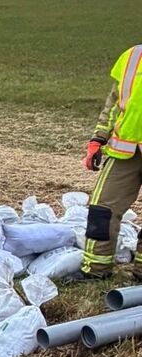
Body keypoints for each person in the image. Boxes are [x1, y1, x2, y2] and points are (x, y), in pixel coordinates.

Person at [81, 44, 142, 280]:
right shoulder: (132, 56)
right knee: (101, 212)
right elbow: (115, 104)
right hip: (124, 152)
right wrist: (98, 139)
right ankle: (95, 271)